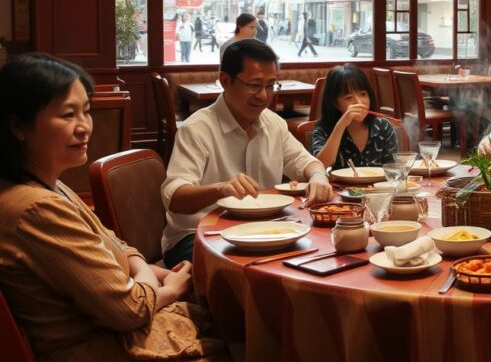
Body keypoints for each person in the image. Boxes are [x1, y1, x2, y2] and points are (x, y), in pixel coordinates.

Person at [0, 53, 225, 361]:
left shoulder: (48, 184)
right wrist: (169, 288)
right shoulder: (35, 209)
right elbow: (130, 310)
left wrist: (142, 271)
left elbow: (114, 243)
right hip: (101, 349)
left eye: (86, 112)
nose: (84, 127)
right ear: (18, 126)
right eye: (68, 115)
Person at [161, 40, 333, 267]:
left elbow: (305, 162)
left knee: (317, 252)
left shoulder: (274, 124)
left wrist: (318, 176)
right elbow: (173, 197)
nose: (263, 95)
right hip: (198, 236)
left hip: (258, 232)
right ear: (225, 80)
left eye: (271, 86)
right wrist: (220, 189)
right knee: (262, 267)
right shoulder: (197, 129)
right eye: (254, 85)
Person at [312, 65, 399, 170]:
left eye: (363, 94)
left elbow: (393, 169)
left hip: (379, 186)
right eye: (349, 97)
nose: (359, 102)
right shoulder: (323, 129)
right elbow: (321, 165)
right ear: (335, 103)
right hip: (337, 187)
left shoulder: (383, 127)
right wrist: (341, 125)